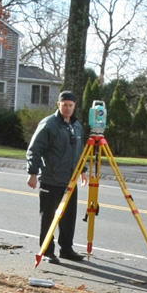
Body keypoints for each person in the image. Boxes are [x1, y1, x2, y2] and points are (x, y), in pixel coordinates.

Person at [26, 90, 87, 263]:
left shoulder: (77, 126)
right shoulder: (49, 124)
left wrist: (83, 170)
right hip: (51, 179)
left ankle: (66, 249)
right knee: (49, 217)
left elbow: (79, 151)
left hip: (69, 181)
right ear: (59, 105)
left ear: (74, 106)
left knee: (68, 218)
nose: (67, 108)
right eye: (64, 105)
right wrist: (32, 173)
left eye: (71, 105)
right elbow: (34, 149)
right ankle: (47, 251)